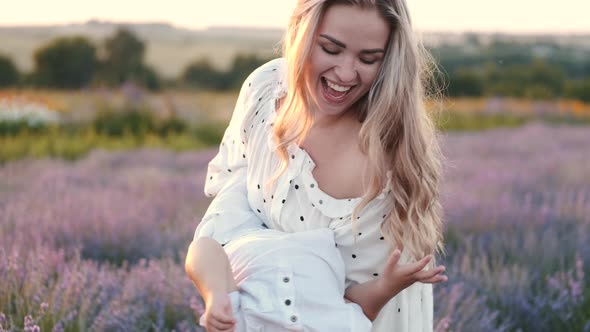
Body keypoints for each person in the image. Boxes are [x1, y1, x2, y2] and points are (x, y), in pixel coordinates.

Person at [185, 0, 447, 331]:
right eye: (330, 49)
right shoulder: (265, 89)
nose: (346, 73)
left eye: (368, 59)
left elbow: (353, 310)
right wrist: (218, 293)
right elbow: (223, 215)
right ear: (300, 33)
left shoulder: (381, 162)